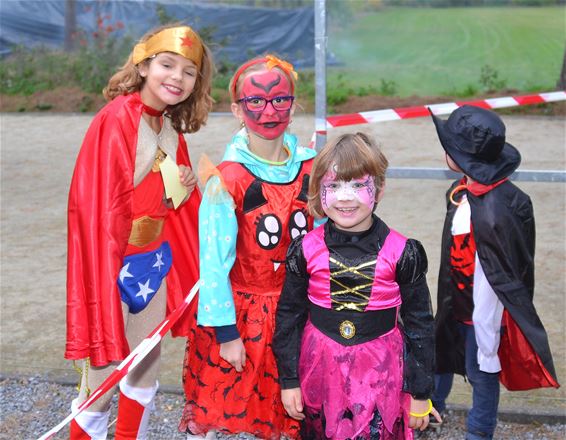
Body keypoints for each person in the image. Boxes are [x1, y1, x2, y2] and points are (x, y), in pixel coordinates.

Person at [65, 24, 213, 439]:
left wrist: (182, 188)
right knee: (103, 374)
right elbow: (100, 203)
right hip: (112, 265)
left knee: (146, 362)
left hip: (153, 265)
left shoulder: (168, 128)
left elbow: (168, 206)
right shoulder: (116, 119)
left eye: (188, 72)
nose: (177, 78)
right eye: (167, 65)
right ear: (144, 64)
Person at [179, 55, 317, 439]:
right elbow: (213, 263)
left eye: (279, 100)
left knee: (292, 414)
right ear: (237, 110)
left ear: (293, 103)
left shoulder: (312, 170)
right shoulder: (228, 180)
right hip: (245, 319)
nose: (269, 111)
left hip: (301, 313)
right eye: (256, 101)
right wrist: (226, 333)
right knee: (240, 411)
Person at [273, 132, 441, 439]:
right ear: (318, 191)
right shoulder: (304, 250)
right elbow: (288, 317)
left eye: (357, 185)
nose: (345, 197)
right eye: (333, 185)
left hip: (382, 373)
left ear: (379, 187)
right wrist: (289, 381)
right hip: (318, 369)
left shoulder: (403, 252)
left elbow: (420, 325)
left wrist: (420, 392)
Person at [429, 105, 560, 440]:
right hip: (454, 298)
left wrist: (500, 313)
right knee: (440, 355)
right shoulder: (458, 194)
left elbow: (517, 265)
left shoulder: (507, 205)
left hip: (485, 311)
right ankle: (430, 414)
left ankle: (479, 431)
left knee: (481, 370)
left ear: (461, 157)